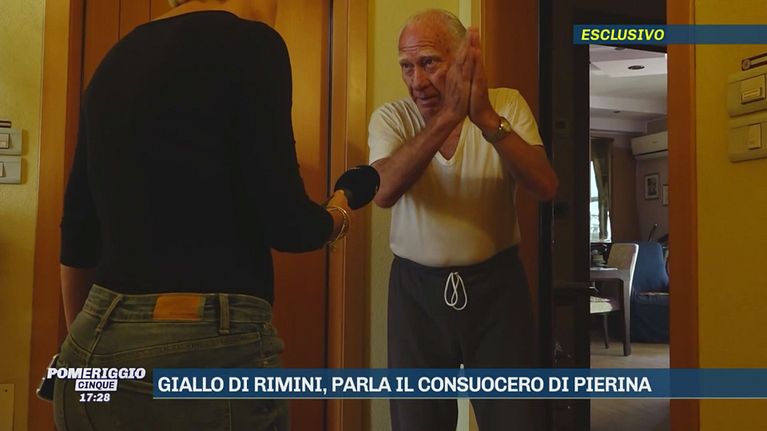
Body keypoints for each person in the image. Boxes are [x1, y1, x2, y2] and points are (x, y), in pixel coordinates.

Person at [54, 0, 356, 429]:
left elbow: (78, 234)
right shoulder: (252, 43)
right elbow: (289, 224)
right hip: (206, 352)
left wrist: (90, 361)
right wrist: (341, 209)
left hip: (89, 351)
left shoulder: (116, 58)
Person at [367, 9, 558, 431]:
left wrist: (484, 116)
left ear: (462, 61)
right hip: (415, 294)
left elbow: (545, 186)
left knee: (516, 420)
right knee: (416, 421)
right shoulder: (391, 118)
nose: (417, 80)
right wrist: (448, 118)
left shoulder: (506, 104)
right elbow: (383, 191)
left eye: (429, 63)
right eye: (406, 66)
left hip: (497, 289)